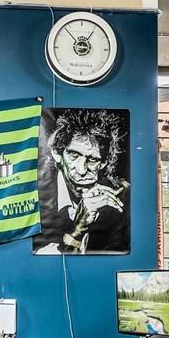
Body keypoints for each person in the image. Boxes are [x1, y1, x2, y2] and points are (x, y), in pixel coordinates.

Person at [35, 108, 128, 254]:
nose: (82, 170)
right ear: (57, 153)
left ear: (104, 163)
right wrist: (77, 231)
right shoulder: (35, 194)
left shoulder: (120, 198)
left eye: (93, 160)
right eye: (74, 155)